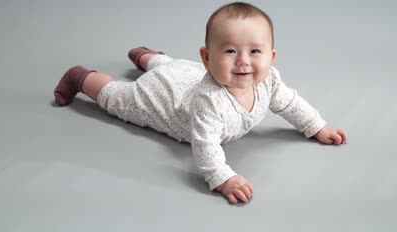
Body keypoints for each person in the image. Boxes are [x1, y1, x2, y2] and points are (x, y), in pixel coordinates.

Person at [53, 2, 347, 204]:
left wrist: (315, 126)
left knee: (175, 65)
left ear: (271, 58)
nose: (243, 61)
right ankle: (83, 77)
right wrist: (223, 178)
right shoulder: (210, 100)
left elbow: (290, 103)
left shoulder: (269, 81)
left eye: (255, 51)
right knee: (120, 99)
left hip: (186, 73)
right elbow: (205, 145)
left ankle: (146, 55)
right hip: (166, 101)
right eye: (230, 51)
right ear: (207, 58)